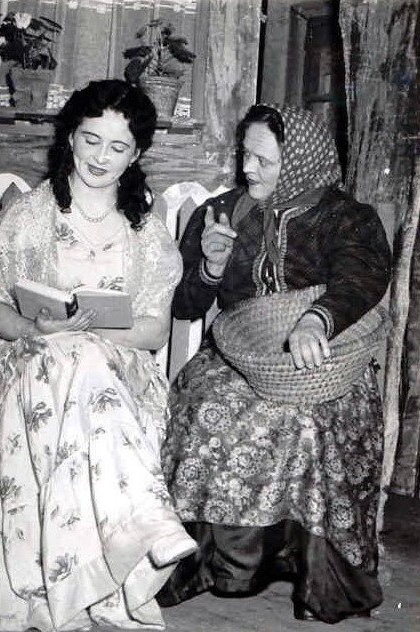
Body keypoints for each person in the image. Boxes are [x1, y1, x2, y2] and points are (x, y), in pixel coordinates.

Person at [0, 79, 198, 632]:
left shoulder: (146, 235)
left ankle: (90, 576)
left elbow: (154, 330)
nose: (101, 158)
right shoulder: (26, 219)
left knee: (84, 356)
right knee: (71, 357)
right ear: (70, 137)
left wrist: (90, 333)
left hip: (113, 367)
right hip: (29, 358)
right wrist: (36, 328)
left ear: (136, 155)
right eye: (91, 140)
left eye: (118, 147)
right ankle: (143, 520)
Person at [158, 104, 391, 623]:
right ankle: (214, 565)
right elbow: (185, 305)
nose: (247, 168)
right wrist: (212, 267)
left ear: (301, 161)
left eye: (264, 160)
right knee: (211, 406)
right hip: (236, 355)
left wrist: (317, 319)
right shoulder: (221, 212)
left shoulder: (345, 217)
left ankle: (316, 576)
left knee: (310, 421)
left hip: (327, 355)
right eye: (245, 154)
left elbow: (361, 277)